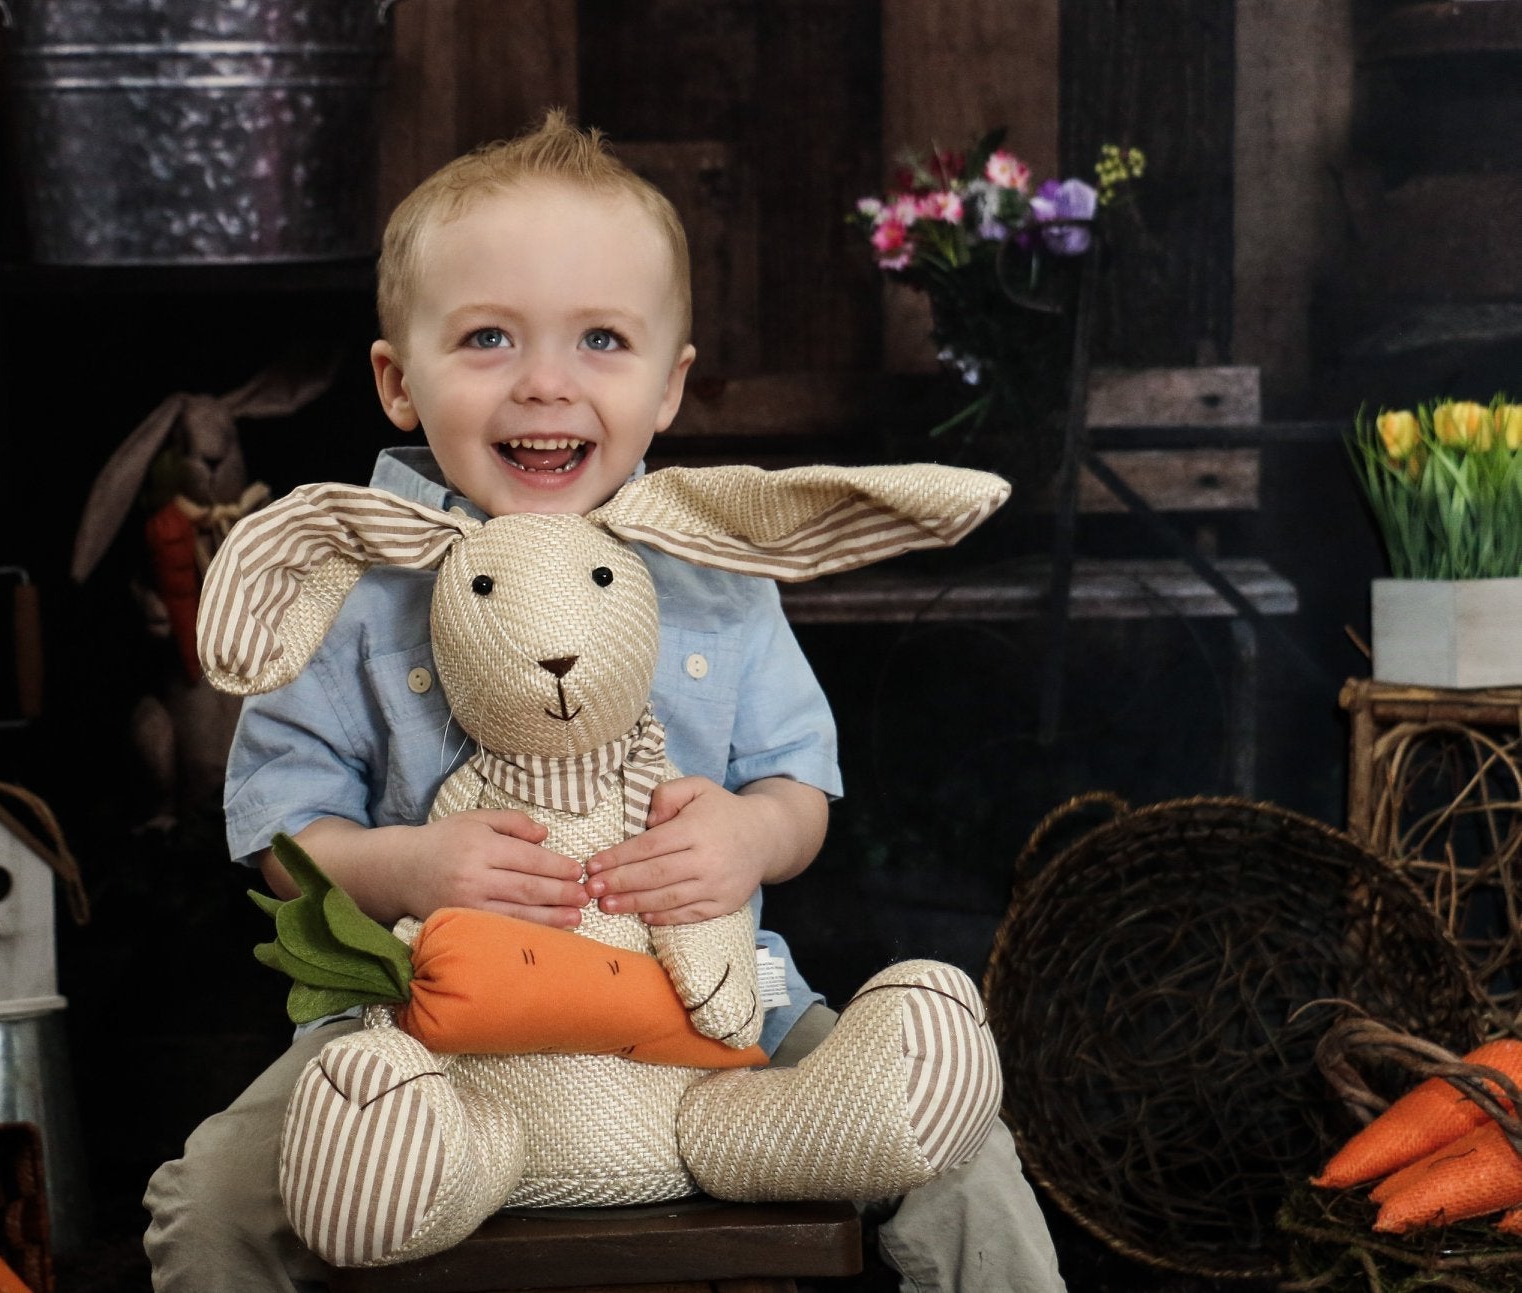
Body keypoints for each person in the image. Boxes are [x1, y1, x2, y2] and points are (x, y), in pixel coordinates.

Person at [143, 109, 1066, 1293]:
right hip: (419, 1045)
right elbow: (280, 842)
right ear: (397, 381)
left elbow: (798, 789)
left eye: (600, 340)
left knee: (958, 1150)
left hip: (711, 1017)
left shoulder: (712, 572)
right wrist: (409, 870)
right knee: (210, 1199)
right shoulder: (351, 581)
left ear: (669, 386)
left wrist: (743, 836)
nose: (544, 384)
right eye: (485, 338)